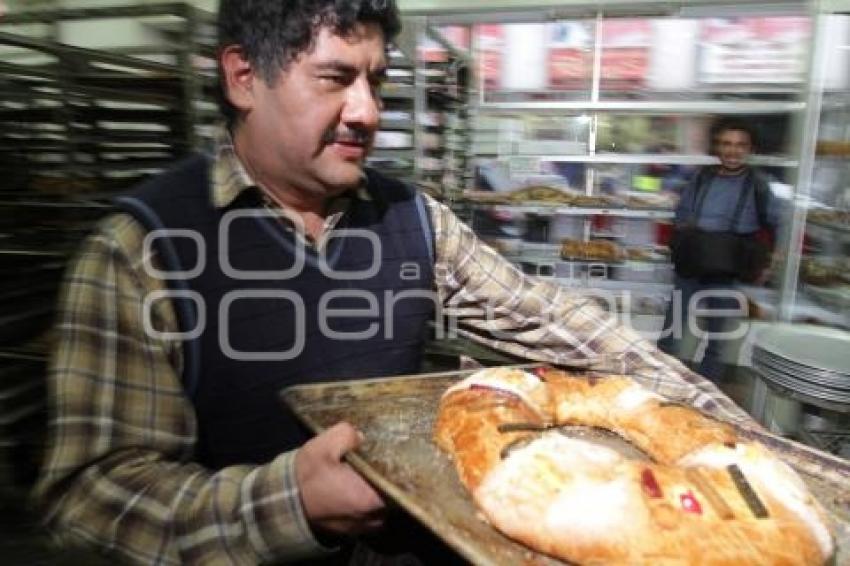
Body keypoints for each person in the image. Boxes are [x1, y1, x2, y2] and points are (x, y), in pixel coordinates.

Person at [35, 2, 755, 564]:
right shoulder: (142, 250)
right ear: (243, 76)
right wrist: (289, 502)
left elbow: (556, 320)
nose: (367, 112)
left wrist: (731, 433)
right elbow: (92, 497)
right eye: (335, 77)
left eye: (375, 80)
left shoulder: (412, 219)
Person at [658, 118, 781, 382]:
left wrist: (769, 261)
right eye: (726, 144)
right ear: (717, 146)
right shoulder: (701, 177)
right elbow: (682, 214)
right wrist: (689, 232)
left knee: (718, 339)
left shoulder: (758, 185)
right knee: (671, 333)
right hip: (692, 262)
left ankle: (706, 394)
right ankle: (661, 384)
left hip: (728, 268)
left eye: (740, 145)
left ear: (750, 149)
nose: (732, 150)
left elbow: (775, 225)